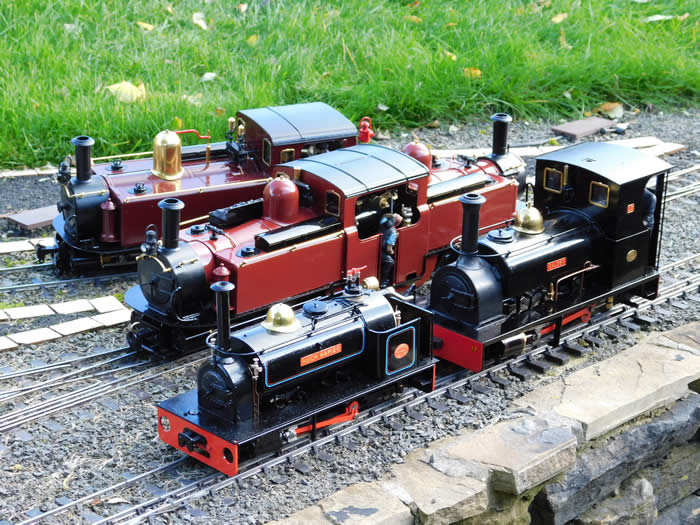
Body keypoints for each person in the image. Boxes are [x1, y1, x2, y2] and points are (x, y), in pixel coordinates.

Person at [380, 213, 402, 288]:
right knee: (390, 262)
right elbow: (389, 249)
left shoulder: (383, 221)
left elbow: (385, 215)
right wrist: (393, 253)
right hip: (382, 250)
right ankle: (383, 282)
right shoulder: (393, 233)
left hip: (376, 246)